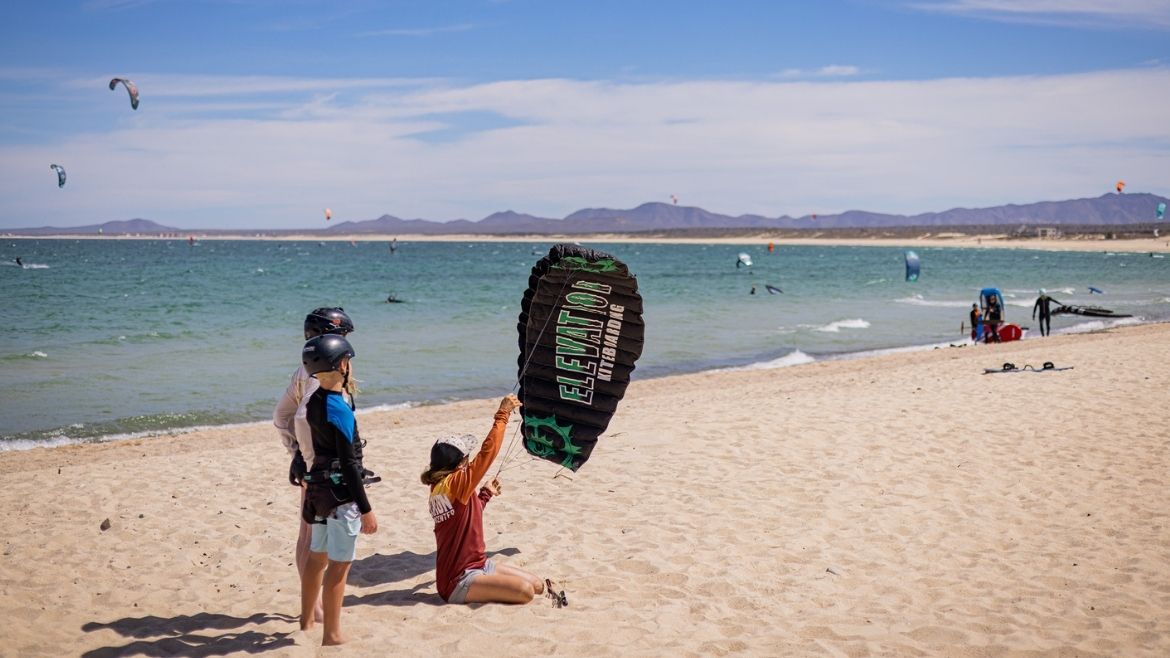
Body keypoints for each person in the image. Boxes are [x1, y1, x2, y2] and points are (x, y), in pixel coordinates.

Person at [422, 394, 548, 605]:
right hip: (459, 581)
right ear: (461, 464)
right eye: (467, 458)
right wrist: (503, 414)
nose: (470, 461)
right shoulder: (455, 483)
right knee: (526, 592)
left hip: (480, 564)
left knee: (537, 585)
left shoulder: (444, 485)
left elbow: (465, 517)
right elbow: (487, 453)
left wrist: (485, 494)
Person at [273, 308, 355, 624]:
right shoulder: (319, 378)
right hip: (324, 465)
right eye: (342, 337)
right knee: (315, 537)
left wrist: (294, 452)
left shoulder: (303, 371)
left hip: (313, 462)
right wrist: (303, 456)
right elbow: (301, 417)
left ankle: (314, 607)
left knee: (308, 531)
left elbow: (280, 417)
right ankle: (316, 609)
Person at [300, 333, 376, 645]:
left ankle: (305, 621)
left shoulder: (314, 401)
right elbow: (349, 465)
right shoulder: (339, 408)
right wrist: (367, 509)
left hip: (318, 492)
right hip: (342, 496)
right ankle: (331, 634)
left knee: (317, 556)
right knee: (339, 566)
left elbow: (321, 450)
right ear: (342, 364)